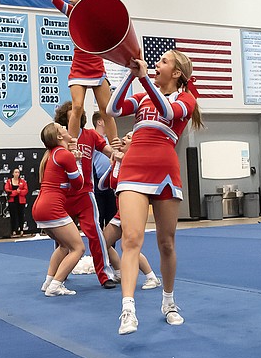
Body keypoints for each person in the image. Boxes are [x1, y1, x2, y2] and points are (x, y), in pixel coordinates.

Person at [107, 49, 201, 335]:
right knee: (131, 239)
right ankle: (128, 308)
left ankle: (169, 302)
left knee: (166, 243)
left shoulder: (186, 98)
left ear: (176, 73)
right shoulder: (142, 97)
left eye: (163, 62)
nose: (156, 65)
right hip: (133, 169)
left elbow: (169, 112)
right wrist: (129, 75)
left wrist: (145, 78)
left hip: (164, 173)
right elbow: (113, 108)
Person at [25, 0, 135, 144]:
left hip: (97, 67)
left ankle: (115, 144)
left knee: (106, 110)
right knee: (76, 107)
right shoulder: (71, 13)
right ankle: (72, 145)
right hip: (79, 68)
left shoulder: (99, 13)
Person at [53, 101, 117, 287]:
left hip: (85, 193)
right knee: (62, 238)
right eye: (72, 111)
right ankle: (59, 273)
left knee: (95, 232)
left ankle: (104, 275)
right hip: (64, 193)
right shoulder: (60, 137)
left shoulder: (90, 135)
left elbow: (107, 151)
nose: (76, 113)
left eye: (78, 111)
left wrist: (119, 153)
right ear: (65, 116)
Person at [96, 133, 162, 290]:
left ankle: (151, 276)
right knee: (104, 243)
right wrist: (116, 163)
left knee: (122, 246)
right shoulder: (120, 159)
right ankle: (121, 271)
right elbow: (111, 183)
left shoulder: (137, 161)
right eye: (125, 136)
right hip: (121, 210)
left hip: (130, 210)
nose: (124, 139)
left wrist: (119, 162)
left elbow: (120, 182)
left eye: (129, 138)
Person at [34, 122, 86, 296]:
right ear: (58, 136)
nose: (65, 126)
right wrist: (78, 162)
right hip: (51, 207)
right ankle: (56, 285)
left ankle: (49, 281)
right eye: (61, 127)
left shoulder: (51, 154)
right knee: (78, 248)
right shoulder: (64, 155)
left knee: (64, 245)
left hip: (41, 207)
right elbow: (79, 185)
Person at [90, 110, 118, 228]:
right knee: (99, 219)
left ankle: (110, 245)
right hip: (96, 183)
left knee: (112, 218)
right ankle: (99, 245)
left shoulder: (111, 140)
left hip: (110, 183)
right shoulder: (91, 137)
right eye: (107, 120)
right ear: (100, 122)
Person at [4, 167, 29, 237]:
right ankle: (13, 231)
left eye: (18, 172)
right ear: (13, 173)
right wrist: (15, 192)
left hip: (21, 201)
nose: (17, 174)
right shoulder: (9, 181)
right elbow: (7, 190)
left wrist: (19, 192)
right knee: (13, 216)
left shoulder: (23, 181)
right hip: (12, 201)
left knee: (21, 215)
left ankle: (21, 230)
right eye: (15, 172)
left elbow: (25, 190)